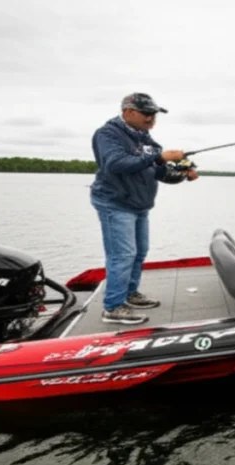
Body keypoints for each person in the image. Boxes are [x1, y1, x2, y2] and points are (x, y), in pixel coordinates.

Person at [89, 92, 199, 324]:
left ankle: (130, 294)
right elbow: (116, 164)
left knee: (139, 252)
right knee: (122, 255)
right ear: (128, 112)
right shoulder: (108, 134)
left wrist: (182, 173)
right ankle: (113, 307)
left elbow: (158, 172)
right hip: (115, 202)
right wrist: (159, 157)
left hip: (139, 204)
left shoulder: (146, 139)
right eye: (146, 113)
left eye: (154, 114)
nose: (151, 119)